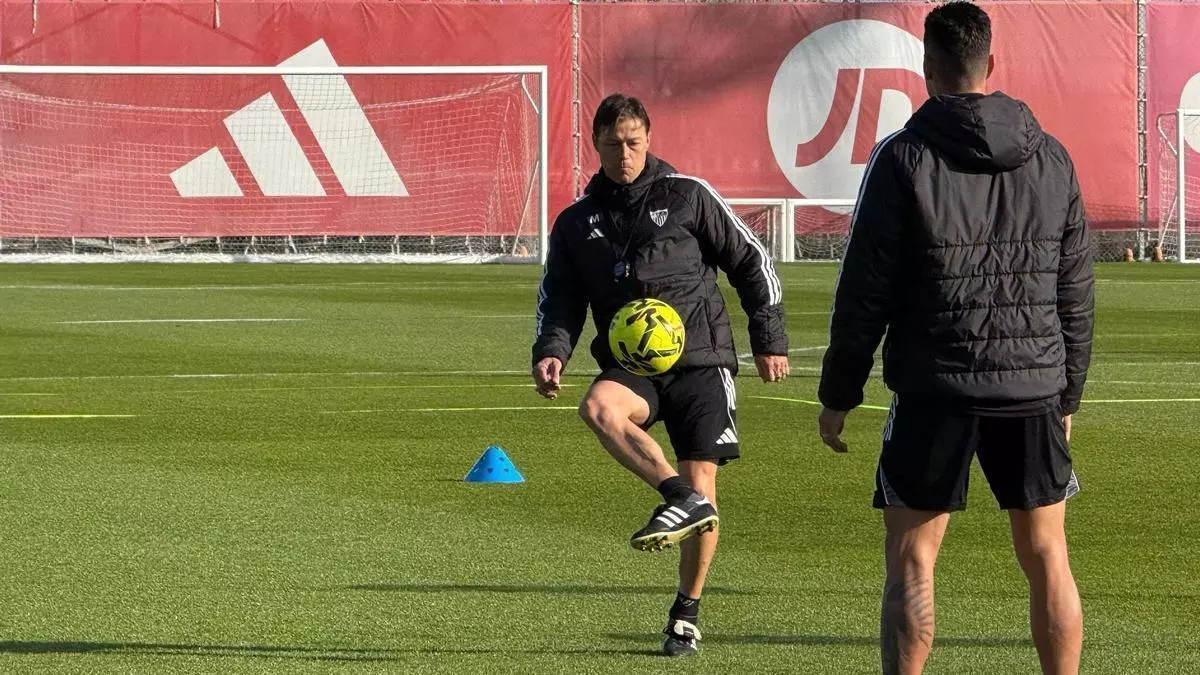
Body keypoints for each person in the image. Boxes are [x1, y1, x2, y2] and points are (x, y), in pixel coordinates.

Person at [815, 3, 1094, 674]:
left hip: (936, 384)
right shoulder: (1052, 157)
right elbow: (1076, 289)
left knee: (913, 556)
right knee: (1048, 553)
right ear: (991, 64)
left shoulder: (903, 157)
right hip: (1031, 384)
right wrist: (1068, 392)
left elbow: (864, 289)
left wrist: (839, 392)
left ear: (927, 68)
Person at [531, 93, 790, 657]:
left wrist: (768, 339)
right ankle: (676, 495)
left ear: (648, 139)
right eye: (612, 144)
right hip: (632, 365)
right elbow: (561, 298)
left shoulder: (688, 195)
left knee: (704, 485)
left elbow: (752, 262)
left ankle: (685, 615)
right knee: (598, 408)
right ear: (595, 144)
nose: (623, 154)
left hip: (702, 361)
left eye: (633, 142)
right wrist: (552, 351)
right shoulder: (576, 223)